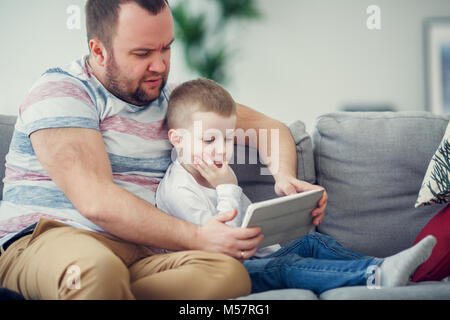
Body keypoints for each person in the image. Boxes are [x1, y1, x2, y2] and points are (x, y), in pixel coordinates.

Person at [0, 0, 328, 300]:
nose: (159, 65)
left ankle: (112, 292)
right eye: (142, 53)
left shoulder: (175, 102)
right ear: (98, 51)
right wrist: (200, 238)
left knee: (227, 273)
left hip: (141, 255)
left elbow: (268, 128)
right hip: (48, 240)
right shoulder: (62, 90)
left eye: (166, 48)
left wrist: (285, 178)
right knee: (96, 271)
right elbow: (97, 202)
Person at [156, 78, 437, 294]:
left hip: (253, 257)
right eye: (209, 140)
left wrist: (283, 224)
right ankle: (375, 274)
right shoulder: (180, 191)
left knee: (311, 242)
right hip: (220, 270)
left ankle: (388, 267)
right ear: (177, 139)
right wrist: (227, 188)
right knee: (285, 266)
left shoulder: (217, 172)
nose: (222, 150)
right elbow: (223, 247)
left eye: (228, 139)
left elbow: (250, 225)